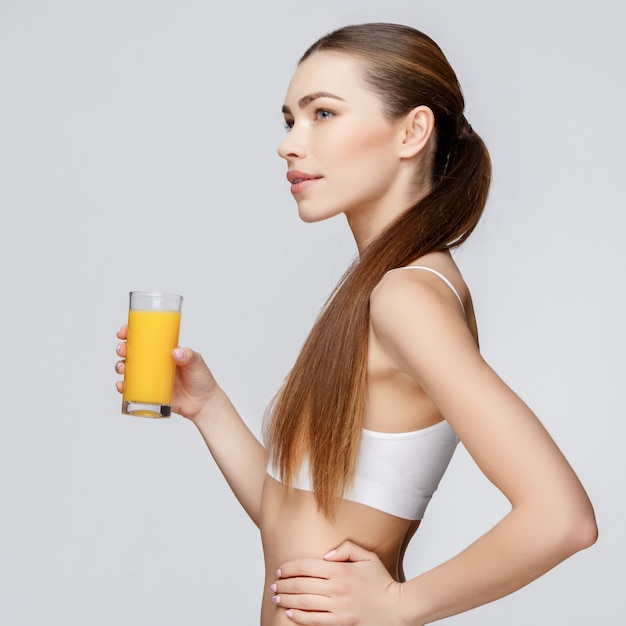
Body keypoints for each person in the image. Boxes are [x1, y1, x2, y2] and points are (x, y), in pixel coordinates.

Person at [115, 23, 597, 625]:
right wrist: (207, 408)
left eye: (323, 114)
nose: (290, 144)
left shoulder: (406, 297)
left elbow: (561, 517)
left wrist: (399, 604)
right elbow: (291, 524)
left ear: (412, 131)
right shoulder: (380, 287)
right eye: (290, 120)